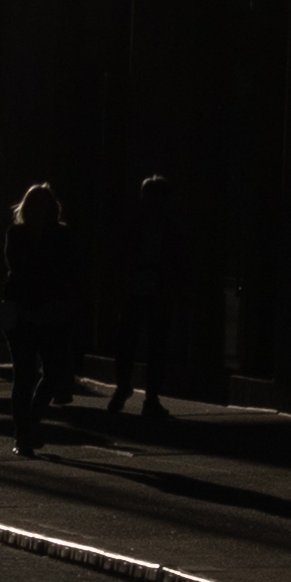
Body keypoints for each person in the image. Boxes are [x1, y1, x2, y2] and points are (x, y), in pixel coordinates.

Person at [2, 180, 82, 453]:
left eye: (43, 205)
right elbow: (18, 267)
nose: (38, 211)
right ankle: (22, 435)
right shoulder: (17, 233)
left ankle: (31, 421)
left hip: (53, 311)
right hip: (24, 310)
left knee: (54, 373)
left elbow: (70, 271)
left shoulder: (61, 235)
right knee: (23, 375)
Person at [106, 169, 191, 422]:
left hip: (151, 293)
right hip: (143, 292)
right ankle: (141, 394)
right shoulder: (156, 229)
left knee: (146, 346)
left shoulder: (145, 228)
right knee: (137, 345)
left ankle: (139, 393)